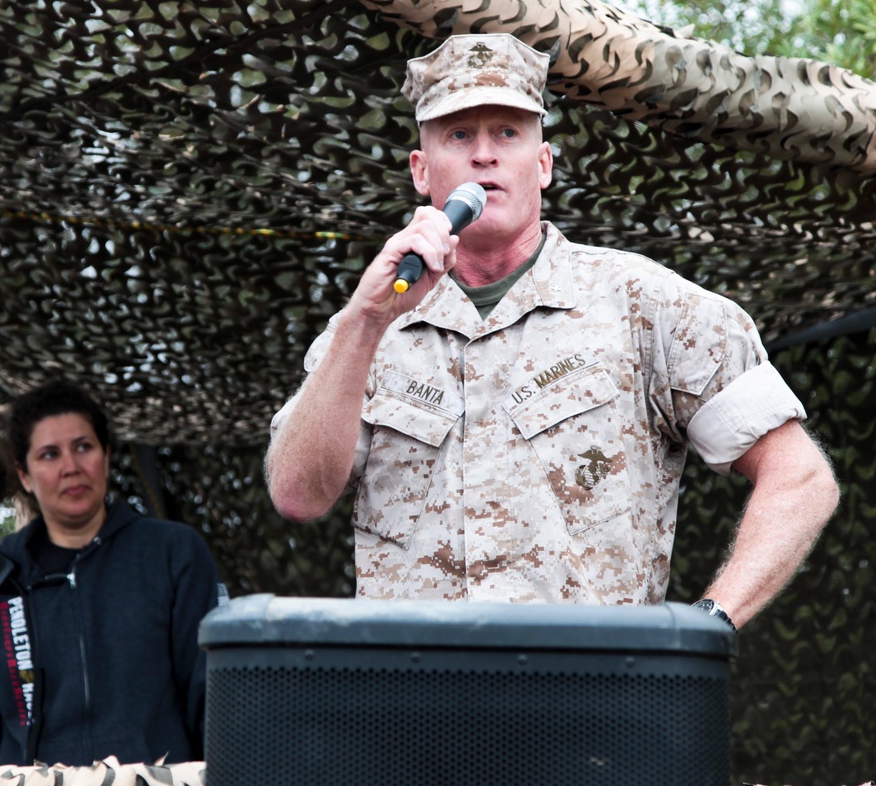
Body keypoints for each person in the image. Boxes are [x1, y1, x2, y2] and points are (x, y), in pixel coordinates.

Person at [266, 33, 839, 629]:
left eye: (507, 133)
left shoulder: (643, 304)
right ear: (421, 169)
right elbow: (298, 495)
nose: (484, 155)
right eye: (459, 135)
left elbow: (799, 477)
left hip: (590, 701)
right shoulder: (366, 327)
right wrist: (364, 321)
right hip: (413, 701)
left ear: (542, 165)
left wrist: (706, 624)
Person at [0, 379, 228, 768]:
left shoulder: (172, 553)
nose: (70, 467)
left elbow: (218, 699)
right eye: (49, 454)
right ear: (26, 476)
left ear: (106, 456)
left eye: (83, 447)